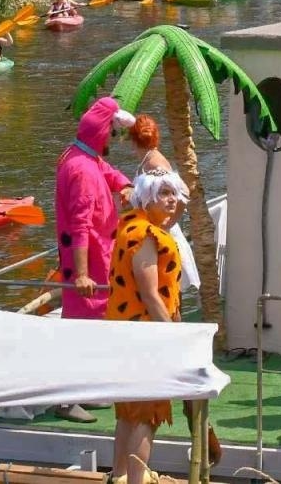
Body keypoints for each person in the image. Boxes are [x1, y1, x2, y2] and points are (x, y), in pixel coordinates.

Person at [53, 97, 136, 423]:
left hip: (100, 255)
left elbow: (108, 170)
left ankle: (84, 390)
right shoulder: (82, 171)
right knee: (78, 331)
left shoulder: (83, 156)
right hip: (86, 264)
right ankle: (64, 399)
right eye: (112, 135)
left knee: (95, 326)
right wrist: (83, 275)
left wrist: (125, 185)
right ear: (102, 132)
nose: (113, 141)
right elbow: (80, 225)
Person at [107, 169, 193, 484]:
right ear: (147, 198)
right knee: (147, 413)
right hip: (145, 334)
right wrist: (172, 335)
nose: (172, 201)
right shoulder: (146, 235)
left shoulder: (130, 224)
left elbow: (182, 203)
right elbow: (149, 293)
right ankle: (135, 480)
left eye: (173, 193)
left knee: (128, 410)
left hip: (126, 332)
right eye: (164, 194)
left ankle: (118, 477)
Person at [126, 114, 199, 292]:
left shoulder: (154, 162)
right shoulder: (147, 159)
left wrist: (168, 222)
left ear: (132, 139)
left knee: (167, 290)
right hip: (150, 231)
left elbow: (184, 192)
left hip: (161, 233)